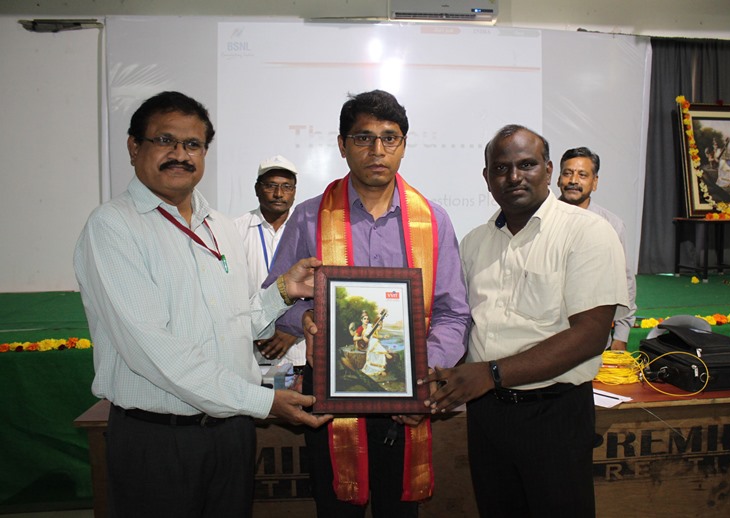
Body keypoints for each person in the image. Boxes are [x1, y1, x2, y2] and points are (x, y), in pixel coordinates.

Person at [73, 91, 331, 517]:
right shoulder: (113, 228)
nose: (180, 155)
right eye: (165, 141)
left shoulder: (221, 228)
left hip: (231, 435)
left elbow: (233, 324)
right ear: (134, 146)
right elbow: (155, 352)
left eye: (192, 145)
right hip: (158, 440)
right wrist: (264, 402)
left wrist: (282, 291)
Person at [265, 89, 470, 517]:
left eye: (389, 138)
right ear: (342, 145)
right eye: (363, 138)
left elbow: (453, 314)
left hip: (408, 402)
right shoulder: (308, 216)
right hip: (331, 397)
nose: (377, 150)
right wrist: (303, 317)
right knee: (336, 509)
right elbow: (276, 295)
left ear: (403, 145)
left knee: (400, 512)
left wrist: (420, 374)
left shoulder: (432, 221)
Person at [420, 125, 629, 517]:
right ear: (486, 178)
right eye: (501, 168)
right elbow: (458, 322)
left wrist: (491, 373)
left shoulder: (588, 233)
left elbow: (589, 335)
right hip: (487, 416)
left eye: (526, 165)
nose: (513, 177)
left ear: (548, 171)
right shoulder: (473, 243)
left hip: (554, 415)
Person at [556, 146, 637, 351]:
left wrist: (621, 335)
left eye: (582, 175)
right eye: (567, 173)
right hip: (546, 334)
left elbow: (624, 281)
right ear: (558, 179)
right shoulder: (541, 220)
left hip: (592, 338)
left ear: (595, 182)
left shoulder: (611, 225)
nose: (573, 180)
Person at [235, 154, 306, 367]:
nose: (278, 194)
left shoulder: (308, 230)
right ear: (257, 189)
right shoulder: (234, 230)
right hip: (250, 351)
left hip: (298, 350)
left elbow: (321, 287)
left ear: (294, 192)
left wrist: (293, 329)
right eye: (271, 186)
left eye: (286, 187)